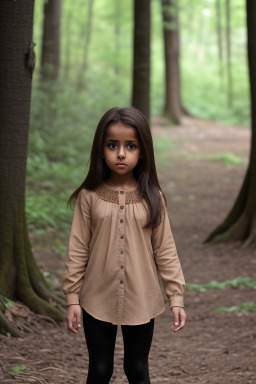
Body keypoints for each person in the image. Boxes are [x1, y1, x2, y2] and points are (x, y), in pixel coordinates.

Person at [62, 106, 186, 384]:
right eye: (112, 145)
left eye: (130, 146)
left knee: (137, 369)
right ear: (101, 149)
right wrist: (72, 297)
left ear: (142, 151)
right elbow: (78, 248)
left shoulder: (154, 197)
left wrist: (175, 296)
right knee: (100, 369)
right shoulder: (89, 196)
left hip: (142, 296)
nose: (120, 153)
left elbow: (165, 250)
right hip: (96, 296)